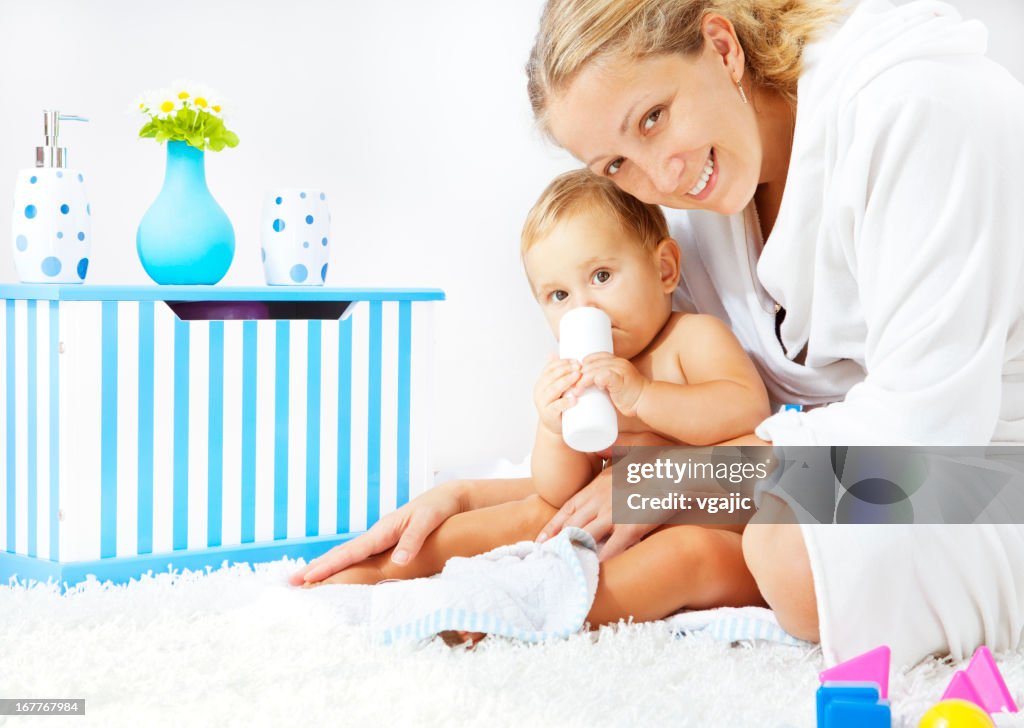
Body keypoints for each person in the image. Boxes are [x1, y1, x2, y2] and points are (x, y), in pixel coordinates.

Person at [294, 0, 1024, 667]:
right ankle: (370, 598)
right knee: (621, 500)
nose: (659, 175)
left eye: (653, 117)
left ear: (720, 45)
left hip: (979, 470)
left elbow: (920, 434)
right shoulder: (701, 208)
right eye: (615, 164)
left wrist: (673, 481)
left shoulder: (917, 106)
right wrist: (472, 495)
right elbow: (680, 434)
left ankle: (566, 607)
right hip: (829, 472)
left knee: (789, 548)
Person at [301, 169, 770, 633]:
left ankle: (545, 612)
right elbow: (561, 491)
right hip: (619, 523)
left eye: (602, 275)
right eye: (560, 294)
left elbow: (746, 409)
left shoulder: (690, 339)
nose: (584, 308)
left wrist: (645, 395)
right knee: (539, 516)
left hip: (721, 533)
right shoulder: (583, 370)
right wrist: (553, 427)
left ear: (664, 269)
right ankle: (382, 575)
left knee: (682, 554)